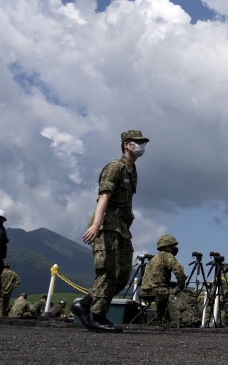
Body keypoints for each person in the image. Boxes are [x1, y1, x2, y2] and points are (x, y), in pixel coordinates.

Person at [71, 129, 149, 333]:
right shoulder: (115, 167)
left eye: (143, 143)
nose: (141, 146)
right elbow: (103, 196)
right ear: (126, 144)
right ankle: (98, 316)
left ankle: (85, 304)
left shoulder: (132, 171)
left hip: (121, 227)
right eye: (137, 142)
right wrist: (96, 225)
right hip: (106, 224)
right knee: (106, 271)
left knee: (122, 275)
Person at [141, 234, 186, 326]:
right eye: (173, 245)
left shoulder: (154, 258)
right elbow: (179, 271)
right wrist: (181, 285)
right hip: (158, 291)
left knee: (170, 288)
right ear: (167, 246)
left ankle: (162, 317)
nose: (175, 248)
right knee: (180, 293)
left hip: (146, 290)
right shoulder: (167, 256)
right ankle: (176, 320)